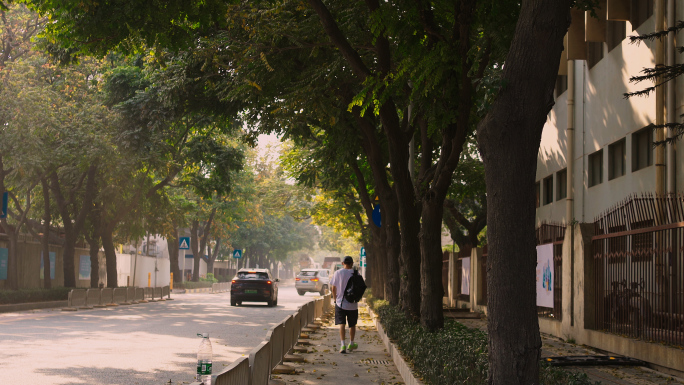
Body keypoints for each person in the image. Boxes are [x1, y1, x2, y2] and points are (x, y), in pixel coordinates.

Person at [330, 256, 359, 353]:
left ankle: (342, 345)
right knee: (352, 324)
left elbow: (333, 288)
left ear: (343, 263)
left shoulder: (337, 273)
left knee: (342, 324)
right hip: (353, 304)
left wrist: (335, 300)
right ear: (352, 263)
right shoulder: (356, 273)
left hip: (340, 303)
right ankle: (351, 343)